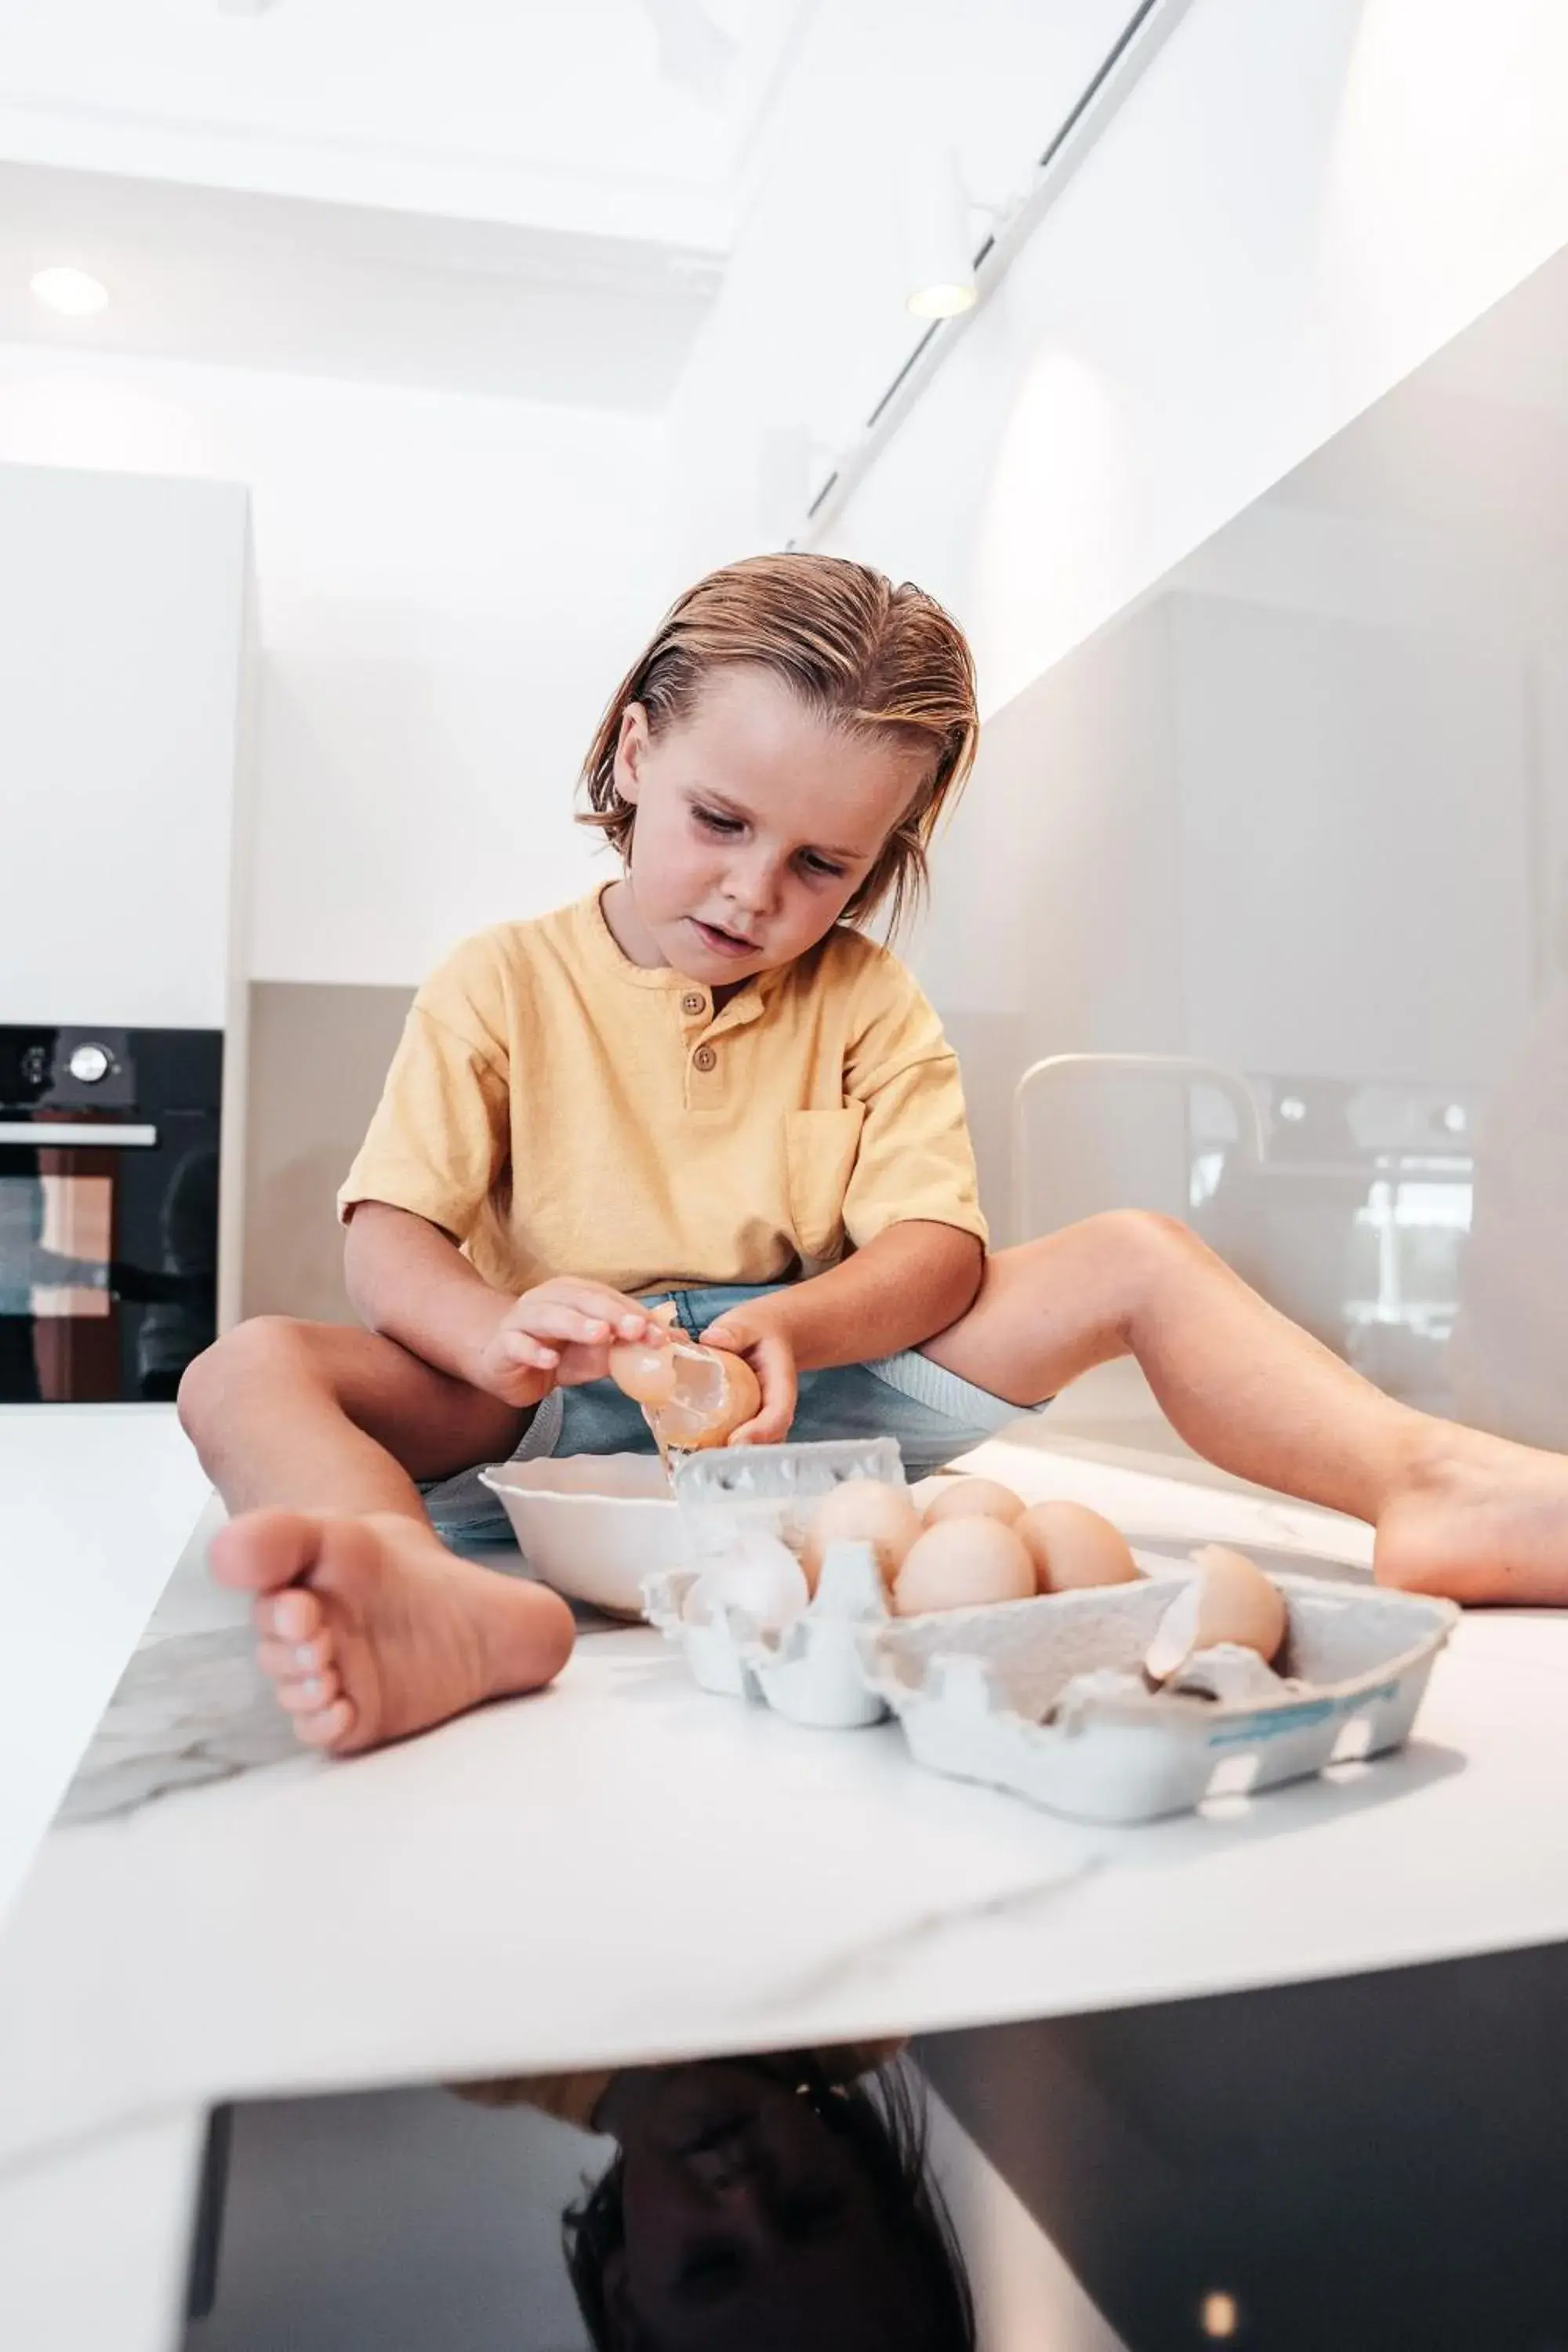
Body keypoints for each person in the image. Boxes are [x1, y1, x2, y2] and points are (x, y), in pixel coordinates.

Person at [178, 553, 1568, 1758]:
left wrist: (796, 1323)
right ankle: (419, 1588)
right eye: (722, 822)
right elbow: (390, 1238)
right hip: (542, 1397)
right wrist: (491, 1337)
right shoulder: (499, 981)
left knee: (1136, 1253)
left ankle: (1429, 1486)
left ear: (880, 858)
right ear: (633, 752)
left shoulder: (865, 1001)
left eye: (822, 865)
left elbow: (935, 1254)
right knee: (249, 1368)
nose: (754, 891)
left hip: (821, 1397)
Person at [457, 2043, 976, 2352]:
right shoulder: (875, 1996)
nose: (745, 2193)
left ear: (626, 2303)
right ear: (860, 2172)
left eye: (712, 2266)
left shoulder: (478, 2049)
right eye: (810, 2212)